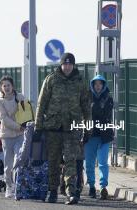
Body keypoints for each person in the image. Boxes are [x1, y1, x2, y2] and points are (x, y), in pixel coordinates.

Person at [33, 53, 91, 205]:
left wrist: (88, 129)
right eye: (65, 64)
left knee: (71, 160)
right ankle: (53, 191)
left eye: (70, 64)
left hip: (73, 128)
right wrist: (38, 127)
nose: (67, 67)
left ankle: (71, 192)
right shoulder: (51, 79)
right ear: (61, 65)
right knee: (53, 161)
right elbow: (42, 103)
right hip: (53, 127)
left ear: (73, 65)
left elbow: (86, 107)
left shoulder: (80, 82)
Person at [84, 75, 114, 200]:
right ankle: (91, 186)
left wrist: (94, 110)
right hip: (90, 135)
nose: (97, 86)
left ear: (103, 85)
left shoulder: (108, 98)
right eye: (95, 84)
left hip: (104, 136)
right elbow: (85, 114)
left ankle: (103, 187)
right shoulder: (87, 98)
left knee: (103, 163)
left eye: (100, 84)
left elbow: (105, 114)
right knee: (89, 163)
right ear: (92, 85)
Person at [0, 75, 25, 198]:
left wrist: (25, 124)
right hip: (7, 136)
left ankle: (18, 186)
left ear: (12, 86)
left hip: (20, 135)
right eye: (4, 86)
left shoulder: (20, 97)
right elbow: (3, 119)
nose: (7, 87)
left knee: (19, 160)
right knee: (8, 165)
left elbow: (27, 111)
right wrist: (18, 126)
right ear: (1, 88)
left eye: (8, 85)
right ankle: (9, 186)